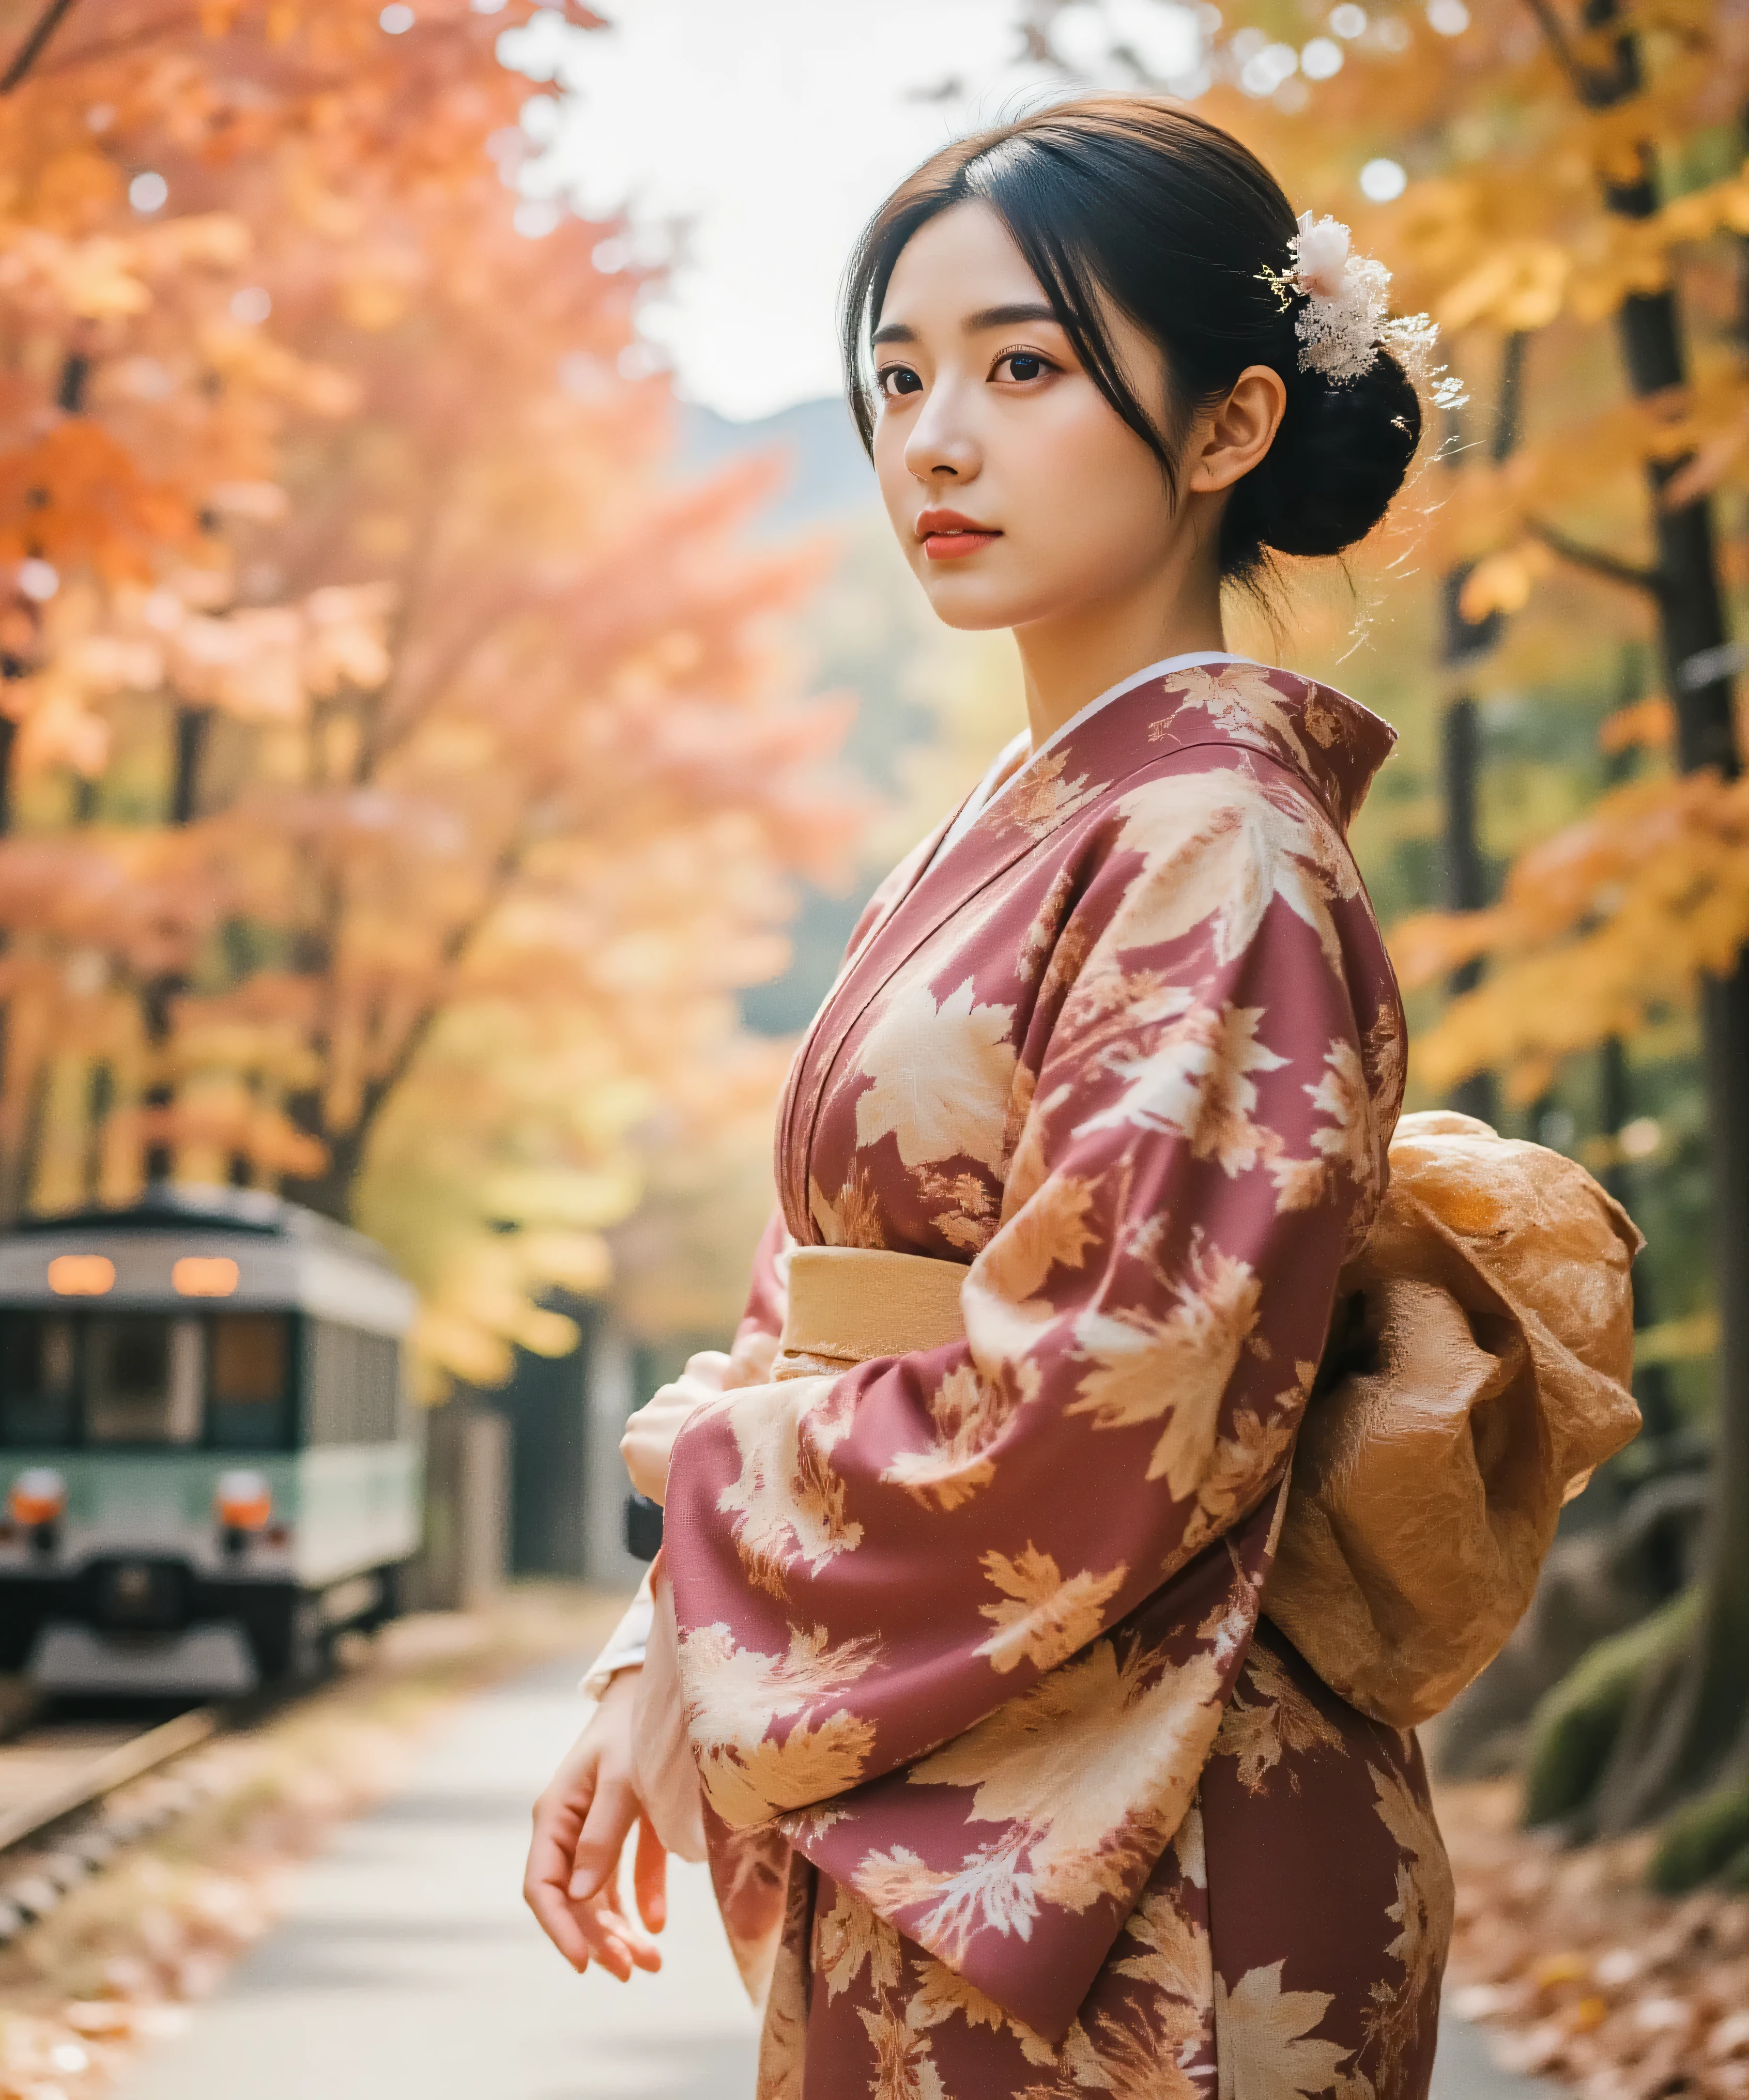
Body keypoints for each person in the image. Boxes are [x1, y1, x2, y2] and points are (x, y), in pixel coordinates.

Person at [523, 95, 1604, 2100]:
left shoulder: (1217, 846)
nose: (931, 436)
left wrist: (712, 1496)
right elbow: (814, 1292)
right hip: (989, 1804)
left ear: (1225, 428)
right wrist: (651, 1641)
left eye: (1023, 367)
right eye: (899, 374)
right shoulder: (1029, 828)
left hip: (1168, 1853)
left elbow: (1113, 1384)